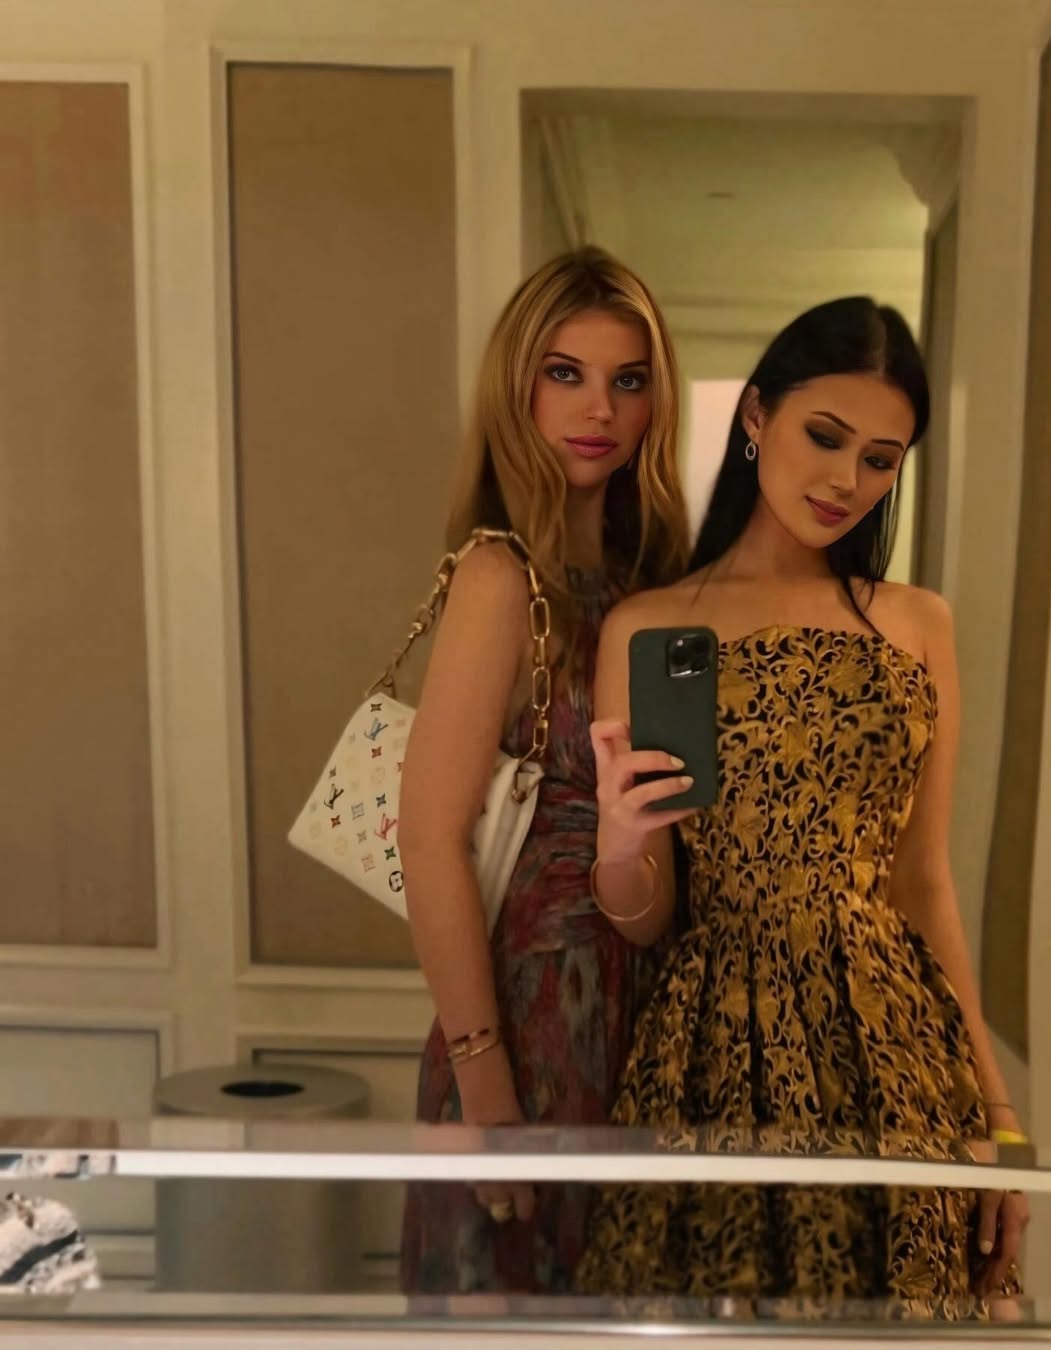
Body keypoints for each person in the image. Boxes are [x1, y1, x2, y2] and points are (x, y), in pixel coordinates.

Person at [574, 297, 1029, 1316]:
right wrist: (622, 840)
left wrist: (998, 1121)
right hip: (714, 1041)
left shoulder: (917, 623)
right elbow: (645, 917)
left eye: (880, 459)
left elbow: (924, 884)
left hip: (892, 1047)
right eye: (825, 436)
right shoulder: (651, 627)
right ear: (756, 416)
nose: (846, 481)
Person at [398, 247, 690, 1293]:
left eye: (628, 379)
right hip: (527, 1016)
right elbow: (427, 836)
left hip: (641, 1002)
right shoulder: (500, 572)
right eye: (565, 373)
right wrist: (485, 1085)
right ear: (517, 388)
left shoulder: (652, 581)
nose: (599, 408)